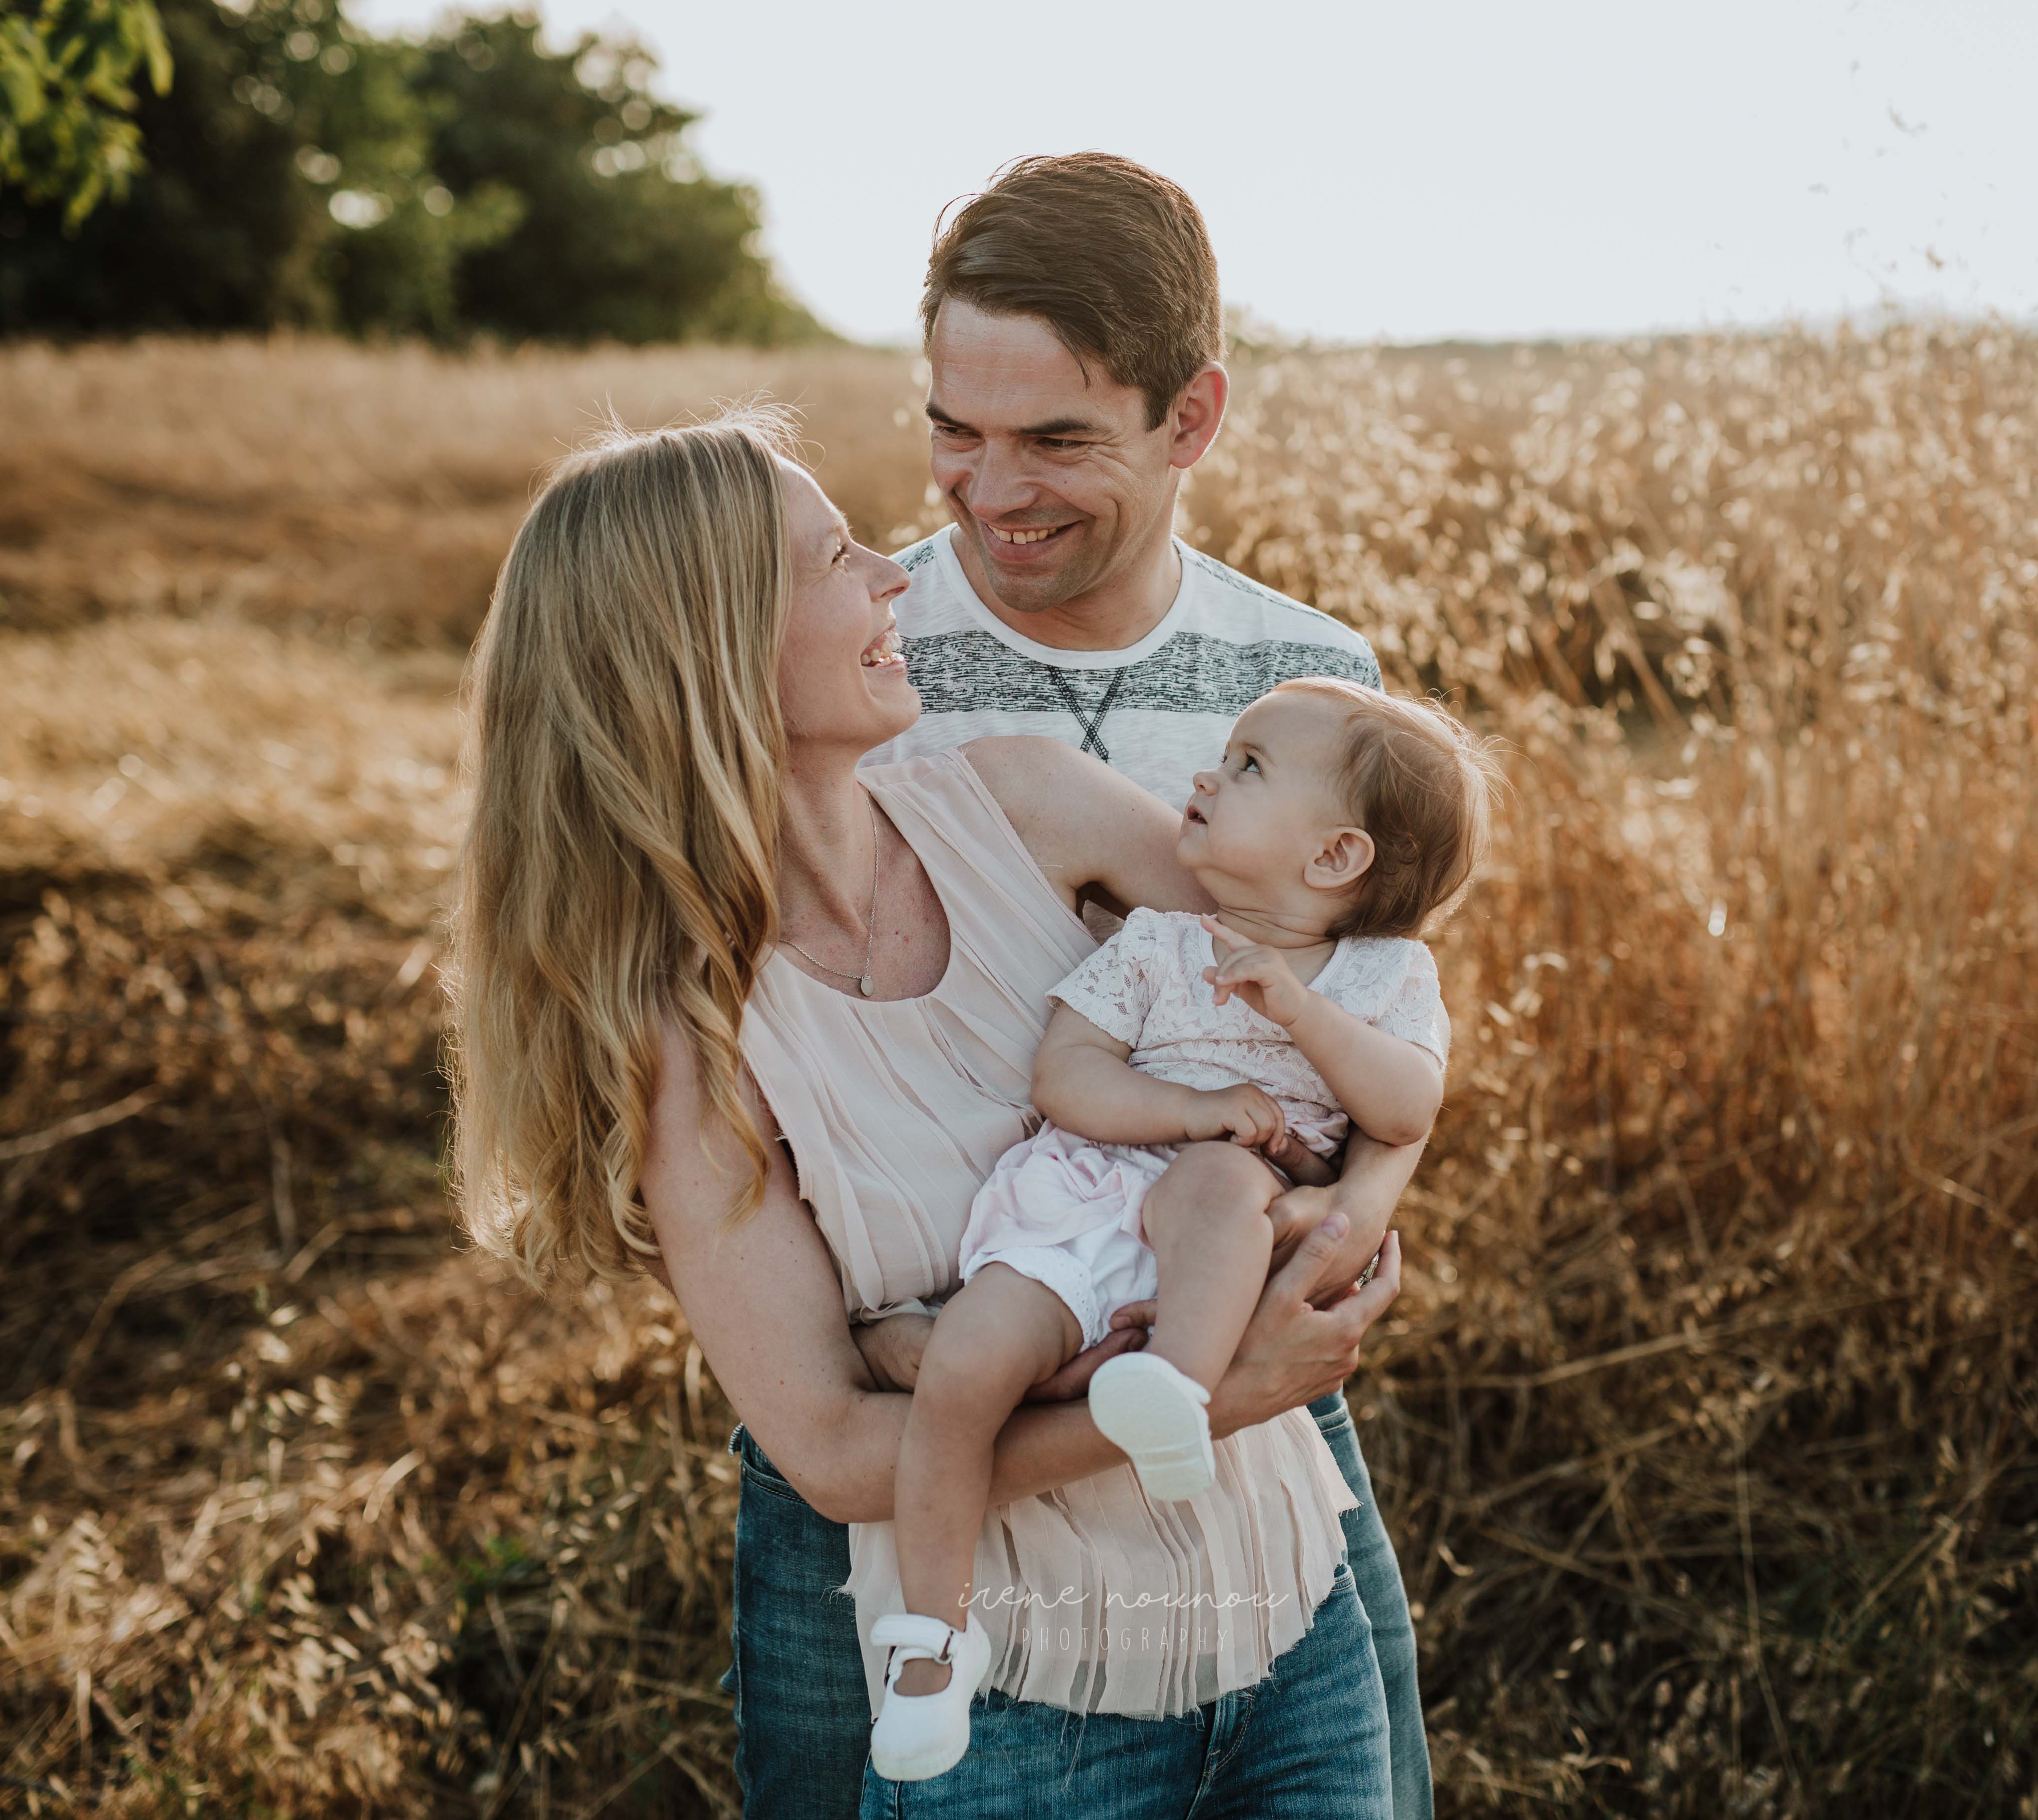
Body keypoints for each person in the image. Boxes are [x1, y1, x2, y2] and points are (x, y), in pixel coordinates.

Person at [450, 408, 1407, 1819]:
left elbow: (1356, 993)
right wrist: (1226, 1388)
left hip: (1283, 1606)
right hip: (1013, 1700)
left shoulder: (1023, 803)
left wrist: (1349, 1221)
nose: (896, 575)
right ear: (709, 648)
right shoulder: (685, 1034)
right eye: (837, 559)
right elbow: (835, 1450)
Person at [858, 151, 1439, 1819]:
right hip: (947, 1385)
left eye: (1054, 440)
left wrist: (1350, 1217)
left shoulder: (1308, 684)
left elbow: (1382, 1015)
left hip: (1230, 1365)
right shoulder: (854, 657)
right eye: (952, 428)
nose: (988, 491)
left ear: (1191, 418)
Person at [873, 679, 1492, 1783]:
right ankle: (933, 1638)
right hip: (1088, 1196)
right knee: (962, 1366)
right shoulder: (1157, 943)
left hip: (1222, 1216)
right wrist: (1190, 1108)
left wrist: (1299, 1013)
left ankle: (1174, 1389)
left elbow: (1405, 1109)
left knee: (1217, 1182)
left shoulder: (1386, 976)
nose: (1207, 774)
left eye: (1249, 766)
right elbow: (1067, 1078)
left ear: (1335, 856)